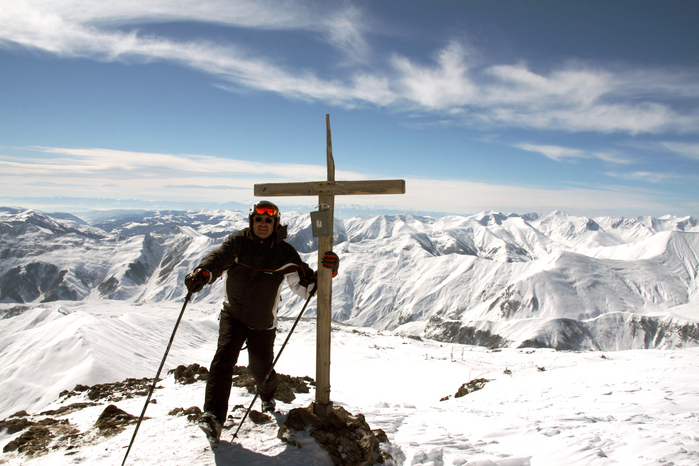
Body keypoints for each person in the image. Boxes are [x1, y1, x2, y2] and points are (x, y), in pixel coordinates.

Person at [184, 200, 339, 443]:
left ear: (275, 224)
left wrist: (328, 271)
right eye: (259, 219)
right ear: (251, 221)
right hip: (232, 316)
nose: (263, 223)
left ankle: (267, 396)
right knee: (223, 359)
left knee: (261, 371)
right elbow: (218, 258)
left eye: (268, 220)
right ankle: (213, 417)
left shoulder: (285, 253)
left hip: (263, 323)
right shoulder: (238, 243)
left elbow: (307, 285)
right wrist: (203, 272)